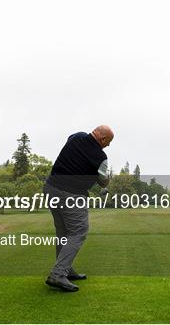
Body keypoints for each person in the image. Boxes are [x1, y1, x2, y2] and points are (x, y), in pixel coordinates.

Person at [43, 125, 114, 292]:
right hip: (72, 195)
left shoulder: (76, 136)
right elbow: (103, 181)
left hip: (50, 188)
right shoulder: (100, 156)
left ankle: (65, 269)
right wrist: (106, 177)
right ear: (102, 139)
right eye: (108, 142)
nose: (108, 145)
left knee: (63, 232)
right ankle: (58, 274)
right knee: (78, 231)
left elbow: (71, 147)